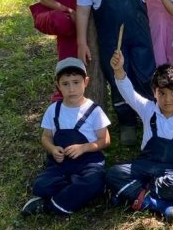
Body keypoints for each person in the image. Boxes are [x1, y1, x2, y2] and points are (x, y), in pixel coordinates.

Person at [106, 52, 173, 224]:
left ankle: (132, 194)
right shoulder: (148, 109)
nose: (167, 99)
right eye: (162, 93)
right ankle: (156, 204)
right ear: (154, 92)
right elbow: (128, 92)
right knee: (113, 174)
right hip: (145, 164)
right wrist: (118, 70)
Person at [76, 0, 156, 146]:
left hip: (141, 37)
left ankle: (151, 116)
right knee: (119, 78)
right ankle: (127, 122)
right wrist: (81, 42)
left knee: (146, 73)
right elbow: (82, 12)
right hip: (112, 42)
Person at [22, 57, 111, 216]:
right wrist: (52, 149)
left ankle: (50, 206)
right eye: (65, 84)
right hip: (60, 165)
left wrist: (84, 147)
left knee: (95, 180)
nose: (71, 89)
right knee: (40, 186)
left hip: (88, 163)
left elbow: (105, 140)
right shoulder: (53, 110)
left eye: (76, 82)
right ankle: (77, 193)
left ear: (86, 82)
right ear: (58, 86)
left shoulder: (94, 111)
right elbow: (46, 137)